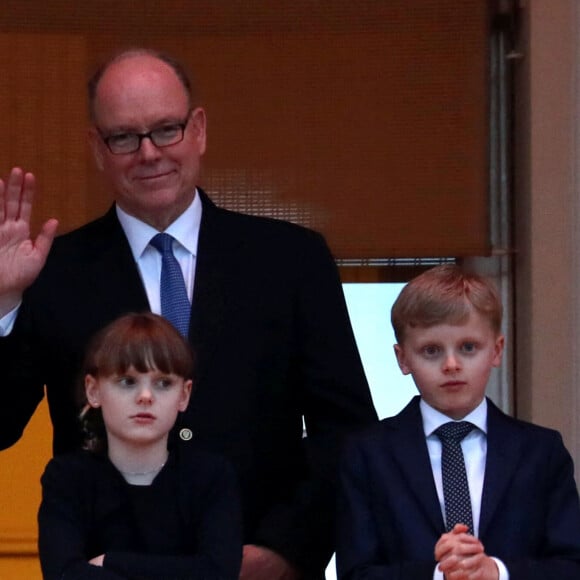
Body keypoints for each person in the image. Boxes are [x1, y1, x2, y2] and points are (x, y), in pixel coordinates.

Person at [0, 48, 377, 580]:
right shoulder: (52, 271)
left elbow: (347, 432)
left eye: (166, 130)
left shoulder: (291, 259)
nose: (149, 153)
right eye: (125, 137)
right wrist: (4, 302)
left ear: (197, 129)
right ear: (97, 148)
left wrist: (283, 551)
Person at [336, 264, 580, 580]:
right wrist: (440, 574)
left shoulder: (541, 452)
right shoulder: (368, 454)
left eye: (468, 347)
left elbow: (572, 565)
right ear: (403, 359)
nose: (451, 364)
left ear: (496, 349)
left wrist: (496, 572)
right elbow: (356, 573)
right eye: (431, 350)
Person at [38, 312, 242, 580]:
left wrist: (110, 562)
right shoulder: (67, 478)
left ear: (184, 394)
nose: (145, 396)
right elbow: (64, 573)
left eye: (163, 383)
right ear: (93, 390)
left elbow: (217, 573)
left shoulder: (211, 477)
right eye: (127, 381)